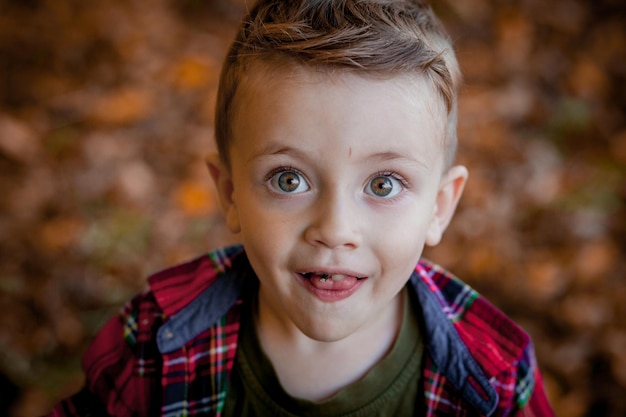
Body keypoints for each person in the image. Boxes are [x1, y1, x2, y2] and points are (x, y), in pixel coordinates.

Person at [47, 0, 555, 416]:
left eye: (383, 184)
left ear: (440, 207)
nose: (335, 230)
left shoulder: (493, 383)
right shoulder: (155, 345)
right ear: (229, 195)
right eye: (289, 179)